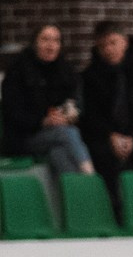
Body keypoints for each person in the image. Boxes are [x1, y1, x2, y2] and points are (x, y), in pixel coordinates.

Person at [78, 20, 133, 210]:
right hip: (106, 136)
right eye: (103, 46)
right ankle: (113, 209)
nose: (108, 50)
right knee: (103, 156)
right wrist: (111, 136)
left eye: (112, 43)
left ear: (124, 42)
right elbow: (90, 117)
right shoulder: (90, 75)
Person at [1, 24, 94, 174]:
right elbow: (13, 112)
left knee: (58, 153)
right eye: (45, 40)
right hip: (24, 137)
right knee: (68, 134)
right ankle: (89, 176)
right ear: (35, 43)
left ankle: (76, 194)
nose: (51, 46)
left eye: (56, 41)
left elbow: (75, 102)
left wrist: (69, 115)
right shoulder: (18, 71)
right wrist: (43, 121)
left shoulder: (65, 70)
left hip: (56, 135)